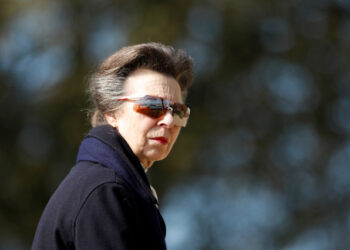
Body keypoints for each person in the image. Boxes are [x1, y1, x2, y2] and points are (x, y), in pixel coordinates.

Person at [31, 42, 194, 250]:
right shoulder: (105, 190)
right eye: (153, 106)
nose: (169, 122)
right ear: (112, 112)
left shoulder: (111, 185)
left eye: (178, 111)